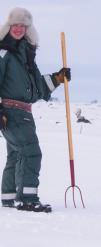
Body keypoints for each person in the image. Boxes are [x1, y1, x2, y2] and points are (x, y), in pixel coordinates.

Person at [0, 7, 71, 212]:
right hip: (11, 113)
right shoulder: (4, 53)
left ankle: (9, 197)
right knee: (31, 153)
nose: (19, 29)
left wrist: (58, 78)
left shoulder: (25, 56)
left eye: (23, 26)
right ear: (9, 27)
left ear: (28, 29)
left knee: (16, 155)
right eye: (15, 25)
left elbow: (37, 88)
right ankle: (27, 199)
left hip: (23, 113)